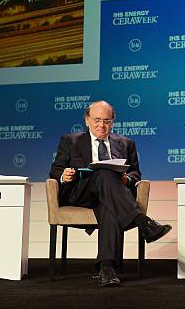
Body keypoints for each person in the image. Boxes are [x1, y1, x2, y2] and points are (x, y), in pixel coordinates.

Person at [49, 100, 171, 287]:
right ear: (87, 120)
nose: (102, 125)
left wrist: (126, 180)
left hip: (110, 196)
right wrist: (64, 175)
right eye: (97, 120)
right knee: (104, 172)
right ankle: (142, 221)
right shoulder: (70, 141)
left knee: (108, 203)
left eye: (106, 121)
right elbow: (55, 170)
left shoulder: (126, 143)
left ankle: (107, 269)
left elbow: (135, 173)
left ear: (113, 121)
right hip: (80, 194)